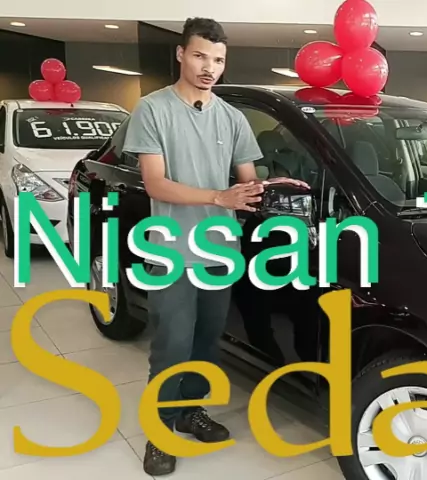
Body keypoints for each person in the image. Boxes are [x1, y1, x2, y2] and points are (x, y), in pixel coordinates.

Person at [121, 17, 307, 476]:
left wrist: (275, 188)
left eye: (218, 60)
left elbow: (247, 184)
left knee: (206, 343)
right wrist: (218, 197)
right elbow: (156, 183)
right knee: (171, 345)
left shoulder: (232, 118)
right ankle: (160, 430)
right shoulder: (153, 109)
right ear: (181, 55)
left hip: (220, 253)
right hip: (172, 252)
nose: (209, 68)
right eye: (201, 56)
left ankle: (190, 411)